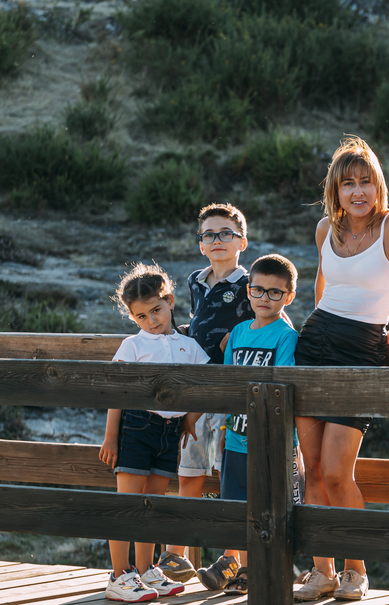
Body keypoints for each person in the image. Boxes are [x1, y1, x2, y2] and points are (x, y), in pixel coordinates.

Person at [293, 137, 389, 602]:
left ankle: (355, 569)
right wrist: (316, 323)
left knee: (335, 472)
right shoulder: (325, 228)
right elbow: (322, 281)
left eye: (366, 181)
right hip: (313, 344)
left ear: (378, 185)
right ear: (336, 189)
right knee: (309, 470)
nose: (358, 191)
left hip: (362, 347)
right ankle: (321, 571)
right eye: (348, 183)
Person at [99, 263, 209, 602]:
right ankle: (120, 575)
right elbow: (117, 392)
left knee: (152, 504)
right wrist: (111, 436)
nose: (152, 320)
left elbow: (205, 383)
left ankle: (146, 571)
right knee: (129, 503)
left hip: (169, 432)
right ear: (133, 318)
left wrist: (190, 418)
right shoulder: (133, 345)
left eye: (156, 310)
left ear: (170, 302)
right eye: (142, 316)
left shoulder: (188, 345)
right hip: (135, 426)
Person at [157, 203, 254, 585]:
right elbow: (198, 325)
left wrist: (243, 334)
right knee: (190, 470)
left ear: (241, 241)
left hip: (232, 394)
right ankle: (177, 555)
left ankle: (235, 560)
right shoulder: (196, 280)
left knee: (233, 479)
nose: (217, 240)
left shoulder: (251, 283)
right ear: (201, 245)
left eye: (226, 233)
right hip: (196, 389)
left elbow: (272, 318)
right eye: (209, 235)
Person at [195, 253, 300, 595]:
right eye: (258, 290)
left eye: (274, 292)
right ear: (248, 292)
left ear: (289, 296)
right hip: (237, 437)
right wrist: (226, 430)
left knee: (266, 508)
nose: (264, 298)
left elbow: (280, 383)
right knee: (235, 502)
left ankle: (257, 569)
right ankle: (231, 562)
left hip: (270, 441)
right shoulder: (238, 333)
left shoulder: (286, 336)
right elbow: (230, 384)